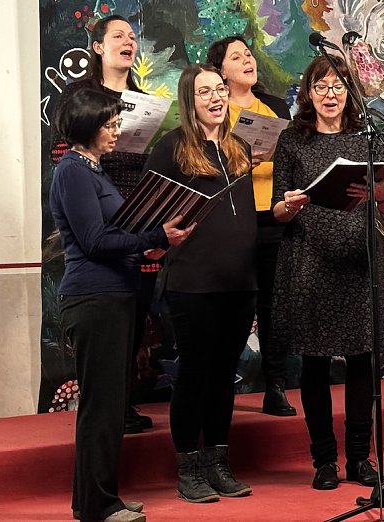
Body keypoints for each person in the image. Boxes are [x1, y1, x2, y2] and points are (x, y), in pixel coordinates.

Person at [50, 88, 188, 522]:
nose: (116, 130)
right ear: (89, 127)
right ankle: (98, 505)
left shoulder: (94, 170)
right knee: (102, 407)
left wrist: (143, 249)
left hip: (114, 295)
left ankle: (94, 498)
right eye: (110, 124)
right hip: (94, 298)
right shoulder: (73, 171)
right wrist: (155, 238)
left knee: (109, 404)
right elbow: (93, 241)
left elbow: (114, 236)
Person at [269, 55, 384, 490]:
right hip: (310, 260)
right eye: (321, 86)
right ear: (308, 93)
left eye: (338, 86)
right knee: (315, 362)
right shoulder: (293, 140)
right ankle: (324, 460)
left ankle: (360, 458)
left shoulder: (368, 139)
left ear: (349, 92)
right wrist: (289, 205)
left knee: (363, 359)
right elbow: (277, 212)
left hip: (360, 262)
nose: (330, 94)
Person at [143, 64, 256, 503]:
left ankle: (218, 463)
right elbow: (150, 217)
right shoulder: (170, 149)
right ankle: (188, 466)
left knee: (223, 375)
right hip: (192, 283)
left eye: (220, 90)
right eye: (205, 91)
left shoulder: (240, 147)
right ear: (189, 102)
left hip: (239, 282)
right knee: (194, 374)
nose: (216, 97)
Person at [50, 14, 164, 433]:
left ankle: (125, 401)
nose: (128, 42)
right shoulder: (79, 94)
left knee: (137, 315)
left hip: (139, 214)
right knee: (106, 317)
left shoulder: (144, 98)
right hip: (95, 215)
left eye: (133, 37)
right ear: (97, 46)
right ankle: (103, 407)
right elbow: (60, 150)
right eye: (119, 36)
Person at [206, 35, 297, 417]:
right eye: (237, 56)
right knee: (232, 302)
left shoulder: (275, 107)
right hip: (232, 218)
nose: (248, 60)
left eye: (249, 54)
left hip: (274, 215)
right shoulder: (212, 110)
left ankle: (274, 385)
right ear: (220, 71)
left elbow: (294, 159)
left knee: (274, 306)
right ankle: (218, 386)